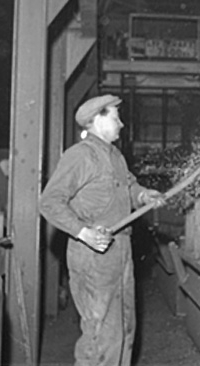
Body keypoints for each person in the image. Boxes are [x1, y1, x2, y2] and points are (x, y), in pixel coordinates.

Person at [39, 94, 164, 366]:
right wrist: (83, 232)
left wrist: (143, 195)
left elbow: (128, 187)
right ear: (97, 120)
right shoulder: (80, 156)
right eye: (116, 118)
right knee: (100, 335)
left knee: (124, 330)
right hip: (93, 254)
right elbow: (49, 202)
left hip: (120, 249)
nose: (121, 124)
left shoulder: (115, 156)